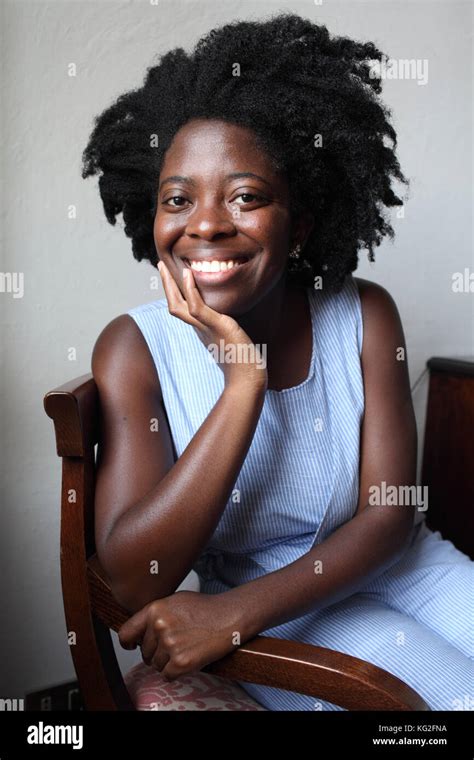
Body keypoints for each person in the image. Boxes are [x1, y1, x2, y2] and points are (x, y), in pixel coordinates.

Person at [82, 13, 473, 710]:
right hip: (292, 620)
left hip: (404, 570)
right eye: (179, 199)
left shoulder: (365, 315)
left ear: (304, 222)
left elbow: (387, 518)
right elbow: (135, 581)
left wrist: (235, 613)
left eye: (246, 196)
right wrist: (242, 384)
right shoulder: (133, 348)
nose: (205, 224)